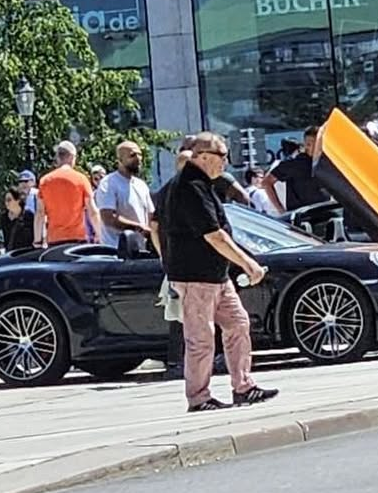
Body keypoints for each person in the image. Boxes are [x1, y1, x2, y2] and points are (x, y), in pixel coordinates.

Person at [165, 131, 278, 412]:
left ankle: (243, 387)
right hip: (195, 277)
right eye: (222, 156)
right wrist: (247, 263)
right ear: (203, 157)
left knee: (238, 323)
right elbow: (214, 235)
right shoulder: (189, 186)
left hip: (215, 275)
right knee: (201, 339)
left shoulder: (204, 184)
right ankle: (199, 397)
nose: (226, 162)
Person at [151, 149, 194, 380]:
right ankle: (176, 361)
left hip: (180, 260)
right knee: (180, 314)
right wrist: (165, 256)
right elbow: (154, 226)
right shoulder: (175, 191)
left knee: (184, 313)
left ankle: (179, 361)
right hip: (180, 261)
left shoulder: (172, 190)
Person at [34, 141, 101, 247]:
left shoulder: (45, 181)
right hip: (77, 239)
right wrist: (101, 235)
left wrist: (37, 240)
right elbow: (92, 212)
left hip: (54, 240)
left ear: (58, 157)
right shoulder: (81, 179)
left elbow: (40, 213)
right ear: (71, 157)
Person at [96, 142, 155, 249]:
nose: (138, 158)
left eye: (140, 154)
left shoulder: (141, 185)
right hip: (116, 252)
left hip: (141, 250)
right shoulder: (109, 183)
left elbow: (150, 215)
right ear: (120, 160)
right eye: (132, 155)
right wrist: (138, 228)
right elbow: (108, 217)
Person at [263, 126, 329, 214]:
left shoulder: (326, 163)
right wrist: (280, 209)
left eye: (319, 143)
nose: (317, 147)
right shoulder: (295, 164)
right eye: (311, 144)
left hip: (326, 212)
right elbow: (266, 182)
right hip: (304, 217)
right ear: (306, 145)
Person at [85, 165, 107, 242]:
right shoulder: (91, 196)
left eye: (101, 178)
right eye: (96, 179)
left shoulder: (112, 194)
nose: (99, 181)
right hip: (95, 237)